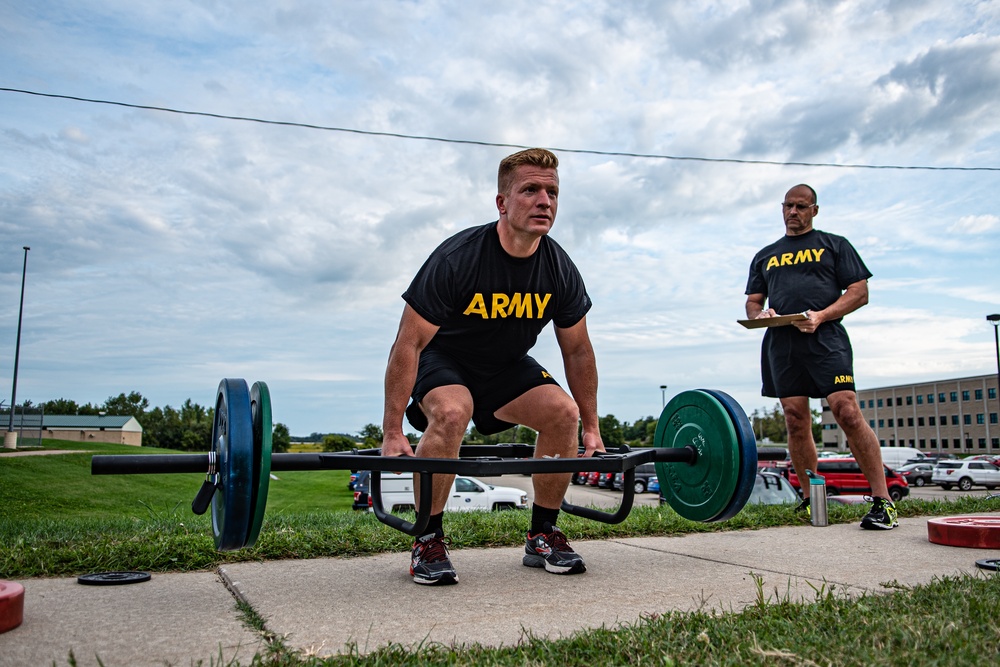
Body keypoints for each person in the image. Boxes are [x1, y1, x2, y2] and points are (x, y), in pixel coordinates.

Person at [382, 148, 606, 585]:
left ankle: (542, 534)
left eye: (553, 192)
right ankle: (427, 539)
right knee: (451, 412)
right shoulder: (458, 258)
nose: (545, 201)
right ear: (502, 202)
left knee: (564, 414)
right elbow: (408, 342)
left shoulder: (558, 268)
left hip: (505, 367)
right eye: (531, 190)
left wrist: (592, 428)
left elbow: (578, 351)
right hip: (444, 360)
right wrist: (392, 431)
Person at [744, 184, 897, 530]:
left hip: (826, 339)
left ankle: (883, 502)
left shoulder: (834, 245)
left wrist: (823, 315)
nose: (793, 212)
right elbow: (753, 302)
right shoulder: (766, 254)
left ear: (815, 210)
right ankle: (811, 500)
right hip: (782, 344)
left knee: (846, 410)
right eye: (788, 206)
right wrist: (759, 316)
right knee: (795, 419)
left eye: (800, 206)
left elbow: (859, 292)